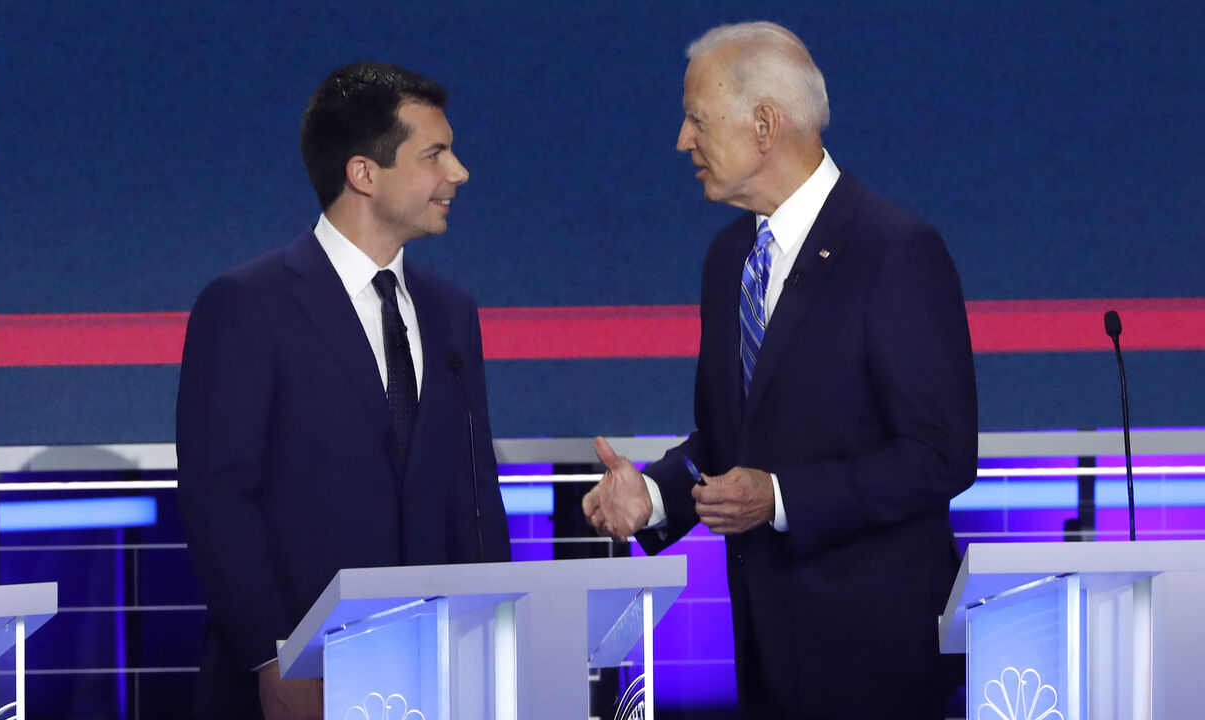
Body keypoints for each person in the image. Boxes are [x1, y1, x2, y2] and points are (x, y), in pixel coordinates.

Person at [582, 22, 977, 720]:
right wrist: (653, 496)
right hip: (766, 650)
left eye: (697, 120)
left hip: (875, 655)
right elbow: (725, 441)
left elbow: (939, 455)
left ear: (764, 124)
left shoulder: (894, 250)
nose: (681, 140)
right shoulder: (728, 257)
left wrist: (783, 496)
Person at [177, 61, 511, 720]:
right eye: (435, 154)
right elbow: (220, 498)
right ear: (364, 173)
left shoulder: (451, 311)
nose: (459, 173)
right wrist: (273, 658)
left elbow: (475, 491)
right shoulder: (247, 303)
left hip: (433, 676)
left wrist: (496, 638)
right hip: (300, 680)